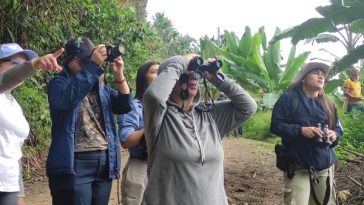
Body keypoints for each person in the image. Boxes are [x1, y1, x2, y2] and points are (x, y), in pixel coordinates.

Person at [141, 54, 257, 205]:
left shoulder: (209, 115)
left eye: (196, 75)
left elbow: (248, 107)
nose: (193, 79)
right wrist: (183, 61)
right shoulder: (159, 117)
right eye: (186, 75)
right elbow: (154, 96)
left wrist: (216, 77)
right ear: (172, 79)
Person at [46, 36, 132, 205]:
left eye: (89, 61)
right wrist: (92, 65)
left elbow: (125, 105)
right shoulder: (58, 83)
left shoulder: (100, 88)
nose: (87, 65)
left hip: (104, 160)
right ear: (69, 60)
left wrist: (119, 75)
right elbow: (68, 99)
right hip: (75, 162)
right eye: (82, 61)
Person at [270, 62, 343, 205]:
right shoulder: (289, 98)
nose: (321, 76)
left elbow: (339, 129)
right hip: (297, 166)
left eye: (323, 75)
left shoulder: (329, 104)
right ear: (303, 78)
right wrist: (300, 130)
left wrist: (334, 135)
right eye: (316, 73)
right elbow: (275, 126)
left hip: (324, 166)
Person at [0, 43, 63, 205]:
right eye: (15, 63)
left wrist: (19, 193)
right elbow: (5, 80)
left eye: (24, 63)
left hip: (8, 184)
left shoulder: (13, 103)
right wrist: (34, 65)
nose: (20, 68)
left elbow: (14, 151)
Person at [118, 60, 159, 205]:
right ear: (143, 78)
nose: (160, 74)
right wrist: (152, 126)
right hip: (140, 166)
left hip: (164, 167)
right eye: (154, 71)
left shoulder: (171, 106)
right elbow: (126, 140)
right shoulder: (134, 106)